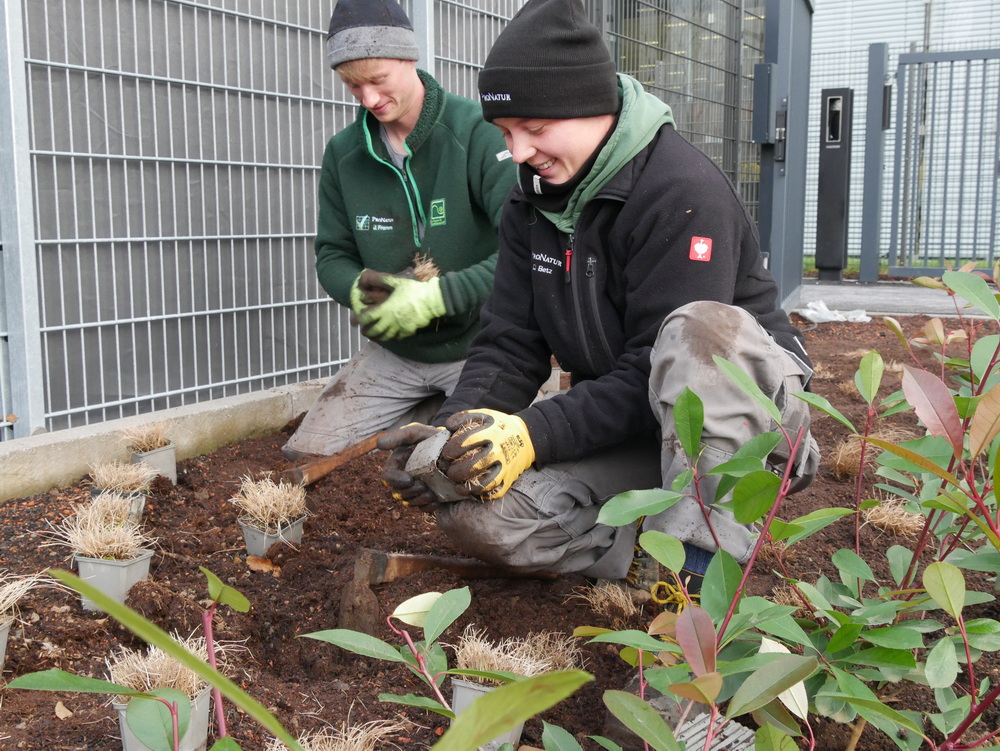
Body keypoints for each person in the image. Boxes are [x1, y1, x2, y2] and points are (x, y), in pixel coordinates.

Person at [378, 0, 820, 599]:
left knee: (700, 330)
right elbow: (509, 345)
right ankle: (646, 547)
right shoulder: (530, 203)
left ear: (593, 106)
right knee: (482, 518)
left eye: (535, 129)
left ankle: (695, 578)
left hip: (746, 428)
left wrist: (532, 434)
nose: (520, 152)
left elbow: (654, 367)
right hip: (635, 423)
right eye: (506, 133)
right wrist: (448, 439)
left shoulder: (681, 191)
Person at [281, 0, 516, 461]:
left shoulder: (478, 133)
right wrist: (358, 291)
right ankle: (424, 411)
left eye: (378, 79)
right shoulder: (344, 154)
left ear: (410, 58)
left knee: (466, 465)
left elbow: (522, 252)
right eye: (353, 85)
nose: (368, 98)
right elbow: (332, 254)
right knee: (309, 457)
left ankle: (433, 415)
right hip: (396, 353)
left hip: (484, 344)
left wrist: (437, 298)